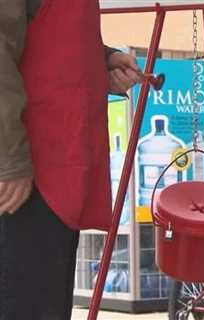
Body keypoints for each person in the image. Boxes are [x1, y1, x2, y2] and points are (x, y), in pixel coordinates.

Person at [0, 1, 142, 319]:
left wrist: (99, 58)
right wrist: (9, 160)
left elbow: (39, 36)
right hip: (27, 168)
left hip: (56, 165)